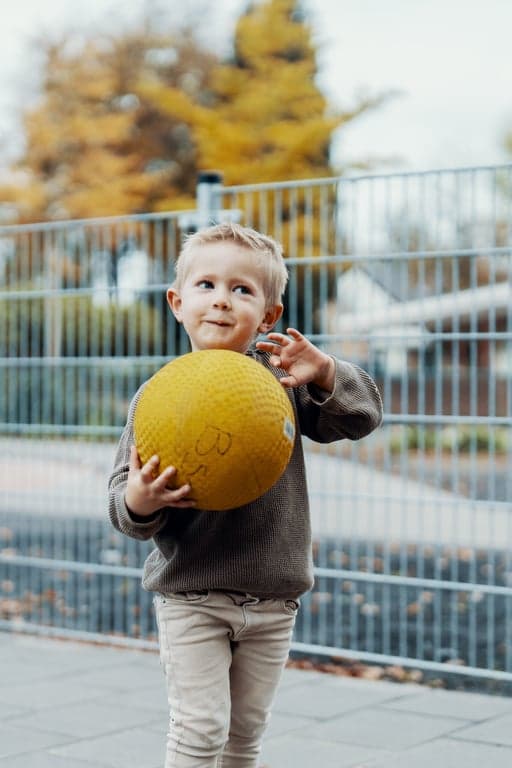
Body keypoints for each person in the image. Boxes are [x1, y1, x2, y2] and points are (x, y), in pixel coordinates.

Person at [108, 222, 383, 768]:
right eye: (206, 285)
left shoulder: (282, 382)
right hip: (193, 594)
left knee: (245, 735)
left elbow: (361, 418)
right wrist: (142, 499)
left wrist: (326, 371)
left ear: (269, 315)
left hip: (273, 597)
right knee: (200, 730)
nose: (222, 301)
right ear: (177, 301)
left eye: (242, 289)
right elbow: (122, 502)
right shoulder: (161, 396)